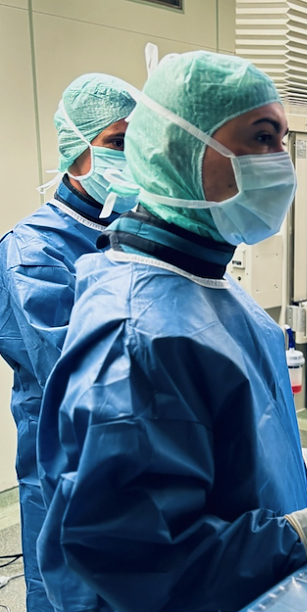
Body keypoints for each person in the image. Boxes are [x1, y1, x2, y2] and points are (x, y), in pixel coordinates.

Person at [36, 51, 307, 612]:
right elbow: (150, 564)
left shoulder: (209, 286)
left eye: (283, 142)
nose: (282, 164)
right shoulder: (138, 339)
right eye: (263, 138)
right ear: (181, 150)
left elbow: (212, 458)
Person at [0, 73, 136, 612]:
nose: (131, 157)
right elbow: (75, 376)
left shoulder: (135, 234)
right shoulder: (33, 250)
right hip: (68, 462)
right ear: (75, 150)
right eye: (116, 143)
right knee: (71, 594)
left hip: (143, 456)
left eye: (139, 143)